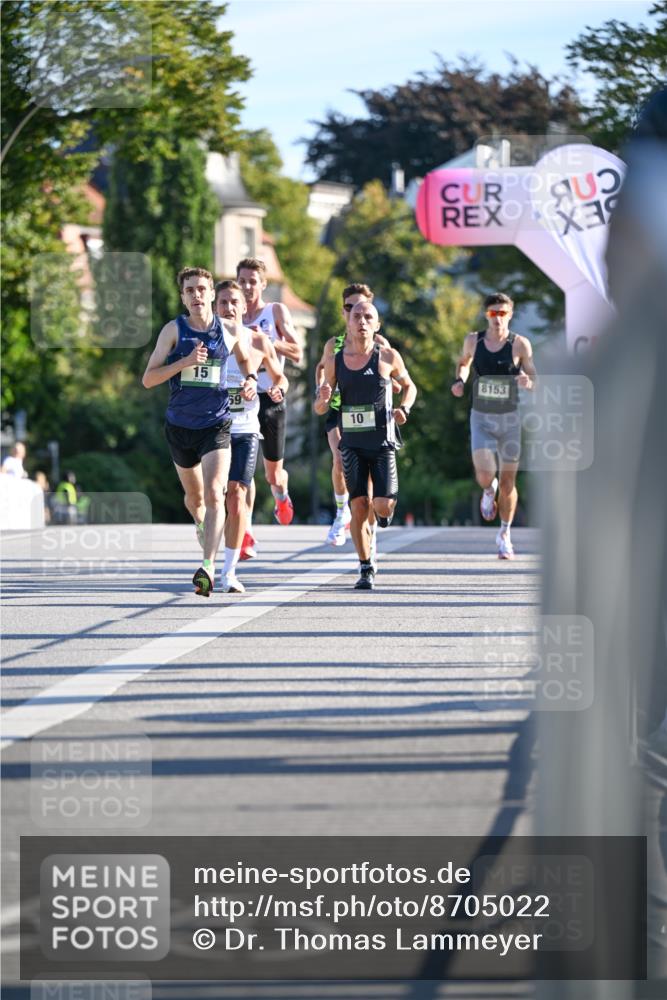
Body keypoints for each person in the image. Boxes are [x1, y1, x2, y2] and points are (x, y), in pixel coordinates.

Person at [142, 266, 257, 597]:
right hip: (180, 426)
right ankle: (202, 526)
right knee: (195, 500)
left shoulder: (230, 330)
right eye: (189, 290)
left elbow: (247, 362)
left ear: (211, 294)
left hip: (217, 424)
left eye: (201, 289)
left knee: (216, 491)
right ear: (183, 297)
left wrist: (250, 381)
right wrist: (184, 362)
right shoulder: (173, 331)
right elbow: (148, 379)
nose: (196, 295)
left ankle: (207, 566)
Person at [315, 300, 416, 591]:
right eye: (356, 316)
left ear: (377, 325)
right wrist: (322, 397)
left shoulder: (387, 356)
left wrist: (404, 409)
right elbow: (321, 409)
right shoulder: (336, 361)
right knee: (358, 504)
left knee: (382, 506)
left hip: (382, 442)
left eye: (367, 316)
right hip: (352, 444)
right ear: (348, 322)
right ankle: (365, 567)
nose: (361, 321)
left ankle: (383, 514)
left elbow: (410, 386)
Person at [214, 280, 289, 593]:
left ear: (244, 308)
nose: (229, 307)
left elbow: (280, 376)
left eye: (235, 302)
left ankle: (229, 572)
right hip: (210, 428)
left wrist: (276, 388)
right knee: (209, 499)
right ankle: (212, 544)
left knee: (237, 493)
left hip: (245, 428)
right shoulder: (204, 341)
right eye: (223, 302)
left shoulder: (258, 342)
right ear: (214, 308)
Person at [451, 291, 536, 560]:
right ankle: (488, 489)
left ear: (510, 315)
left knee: (509, 480)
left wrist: (528, 382)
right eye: (493, 313)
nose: (497, 318)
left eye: (502, 313)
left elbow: (534, 377)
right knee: (486, 474)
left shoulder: (520, 344)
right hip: (482, 417)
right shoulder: (473, 341)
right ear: (487, 315)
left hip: (510, 419)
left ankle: (505, 535)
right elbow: (463, 364)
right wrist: (460, 380)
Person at [236, 257, 302, 558]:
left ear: (263, 284)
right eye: (243, 281)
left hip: (271, 395)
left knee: (272, 473)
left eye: (253, 281)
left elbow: (297, 351)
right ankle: (246, 532)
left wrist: (265, 343)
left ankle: (281, 495)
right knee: (242, 474)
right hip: (240, 399)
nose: (247, 286)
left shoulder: (274, 311)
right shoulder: (231, 315)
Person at [315, 283, 374, 547]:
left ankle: (369, 528)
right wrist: (322, 390)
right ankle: (341, 513)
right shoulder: (333, 345)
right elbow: (321, 369)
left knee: (368, 477)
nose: (356, 315)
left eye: (362, 309)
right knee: (340, 460)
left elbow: (393, 374)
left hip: (368, 412)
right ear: (343, 312)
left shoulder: (379, 344)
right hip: (339, 408)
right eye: (350, 308)